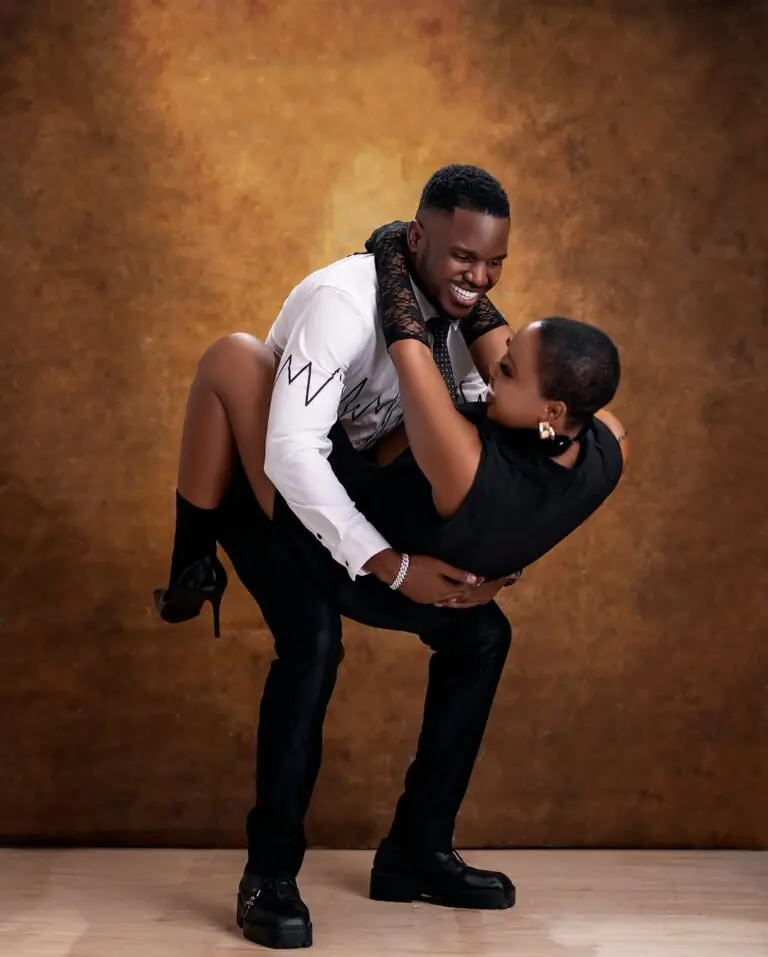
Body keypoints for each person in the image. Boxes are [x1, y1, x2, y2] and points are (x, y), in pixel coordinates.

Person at [152, 167, 627, 950]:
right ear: (417, 240)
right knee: (312, 643)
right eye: (462, 257)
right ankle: (269, 873)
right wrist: (391, 565)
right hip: (295, 503)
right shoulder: (342, 304)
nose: (479, 278)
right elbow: (290, 455)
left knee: (484, 636)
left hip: (372, 508)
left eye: (495, 263)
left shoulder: (464, 327)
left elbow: (503, 469)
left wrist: (493, 570)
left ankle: (417, 848)